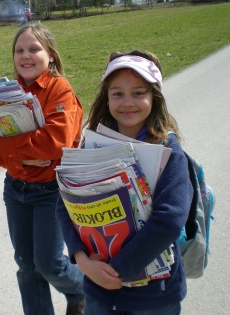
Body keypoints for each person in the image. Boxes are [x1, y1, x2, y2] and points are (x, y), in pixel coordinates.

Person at [55, 50, 193, 315]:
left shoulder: (168, 151)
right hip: (98, 290)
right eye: (117, 93)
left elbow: (170, 220)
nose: (127, 102)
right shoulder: (92, 146)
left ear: (155, 97)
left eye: (138, 92)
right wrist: (83, 262)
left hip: (155, 298)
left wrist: (117, 269)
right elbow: (65, 205)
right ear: (106, 98)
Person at [0, 24, 85, 315]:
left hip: (51, 191)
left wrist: (5, 145)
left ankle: (83, 290)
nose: (26, 56)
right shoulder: (4, 94)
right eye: (19, 50)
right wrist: (23, 156)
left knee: (50, 265)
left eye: (34, 49)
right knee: (26, 265)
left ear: (50, 55)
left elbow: (56, 144)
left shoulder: (60, 90)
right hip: (15, 189)